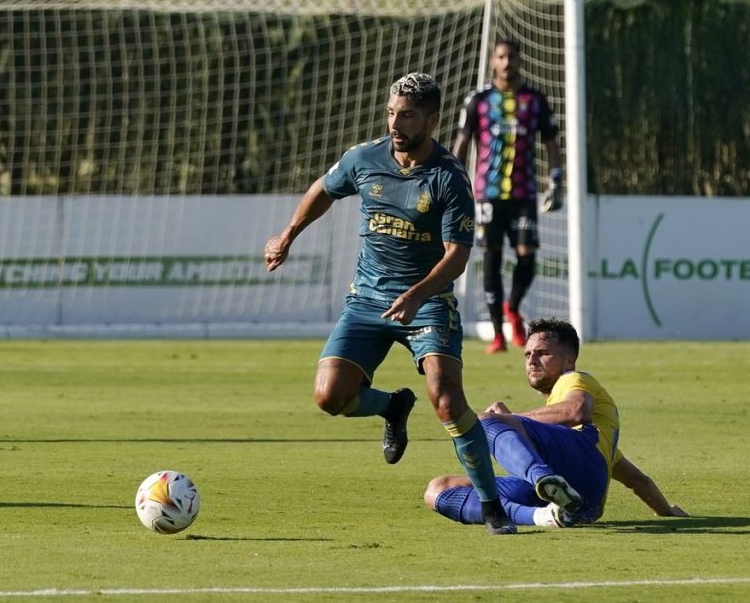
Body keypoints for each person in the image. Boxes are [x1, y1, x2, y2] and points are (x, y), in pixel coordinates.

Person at [263, 72, 516, 535]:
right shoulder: (364, 158)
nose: (396, 124)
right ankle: (392, 407)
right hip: (367, 299)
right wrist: (287, 235)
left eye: (408, 116)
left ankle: (492, 506)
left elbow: (457, 256)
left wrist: (417, 294)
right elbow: (323, 189)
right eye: (391, 113)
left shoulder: (449, 178)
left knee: (446, 399)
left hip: (428, 302)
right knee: (329, 397)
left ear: (432, 120)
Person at [424, 318, 688, 528]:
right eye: (527, 354)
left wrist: (508, 419)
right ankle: (545, 516)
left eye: (543, 353)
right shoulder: (588, 434)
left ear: (569, 361)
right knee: (439, 489)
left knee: (484, 422)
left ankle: (546, 481)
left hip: (579, 466)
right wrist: (666, 511)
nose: (531, 361)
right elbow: (637, 481)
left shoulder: (574, 379)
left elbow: (577, 410)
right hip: (585, 501)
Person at [453, 38, 564, 354]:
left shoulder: (535, 99)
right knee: (492, 257)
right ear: (493, 62)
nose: (506, 62)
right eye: (501, 57)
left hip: (524, 193)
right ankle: (498, 334)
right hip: (487, 193)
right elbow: (462, 141)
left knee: (527, 255)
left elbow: (551, 141)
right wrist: (453, 180)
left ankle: (512, 308)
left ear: (519, 60)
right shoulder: (478, 100)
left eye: (511, 56)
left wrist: (556, 179)